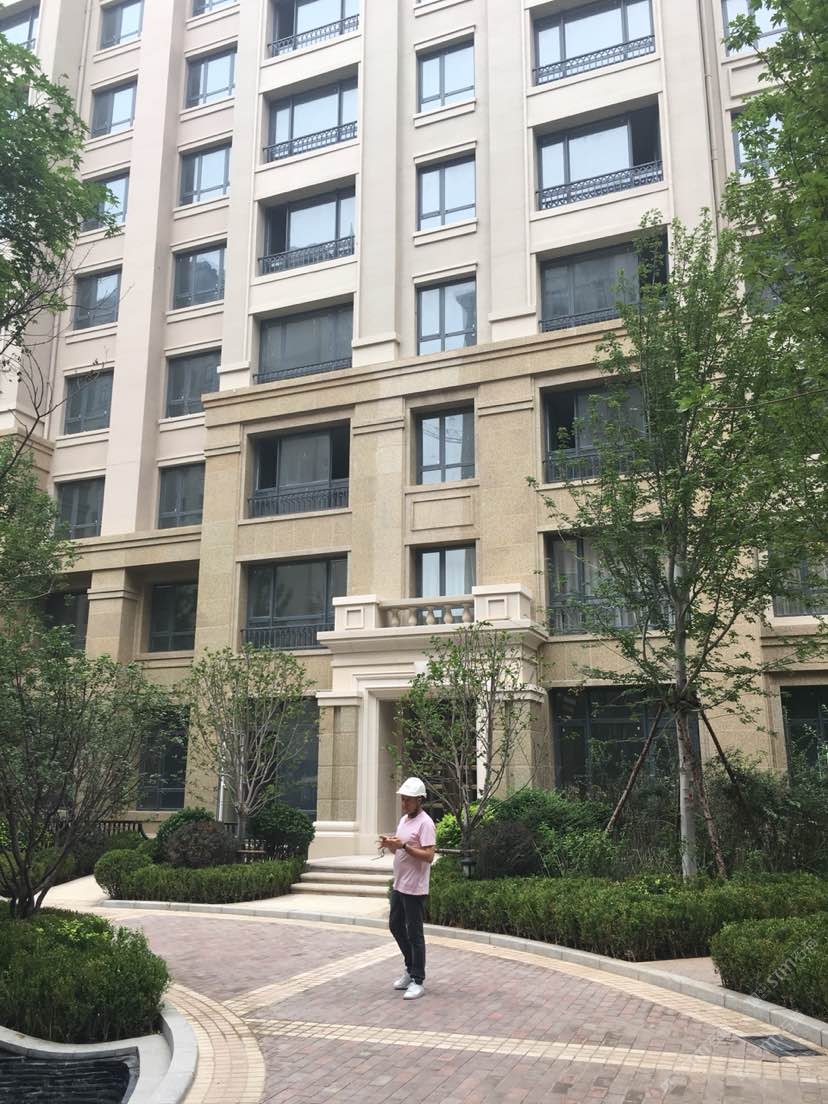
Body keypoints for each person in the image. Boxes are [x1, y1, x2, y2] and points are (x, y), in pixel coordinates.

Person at [379, 776, 436, 1000]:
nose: (404, 803)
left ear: (419, 800)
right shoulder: (404, 820)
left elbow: (429, 856)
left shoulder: (426, 823)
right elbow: (399, 849)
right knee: (395, 926)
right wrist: (390, 844)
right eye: (403, 799)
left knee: (415, 934)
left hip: (415, 888)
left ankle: (418, 980)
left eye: (408, 800)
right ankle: (410, 968)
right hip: (399, 884)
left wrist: (404, 846)